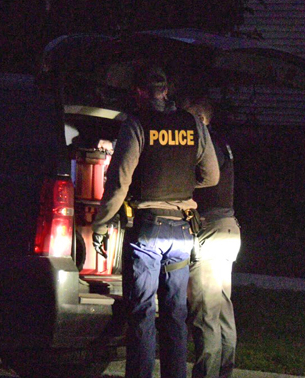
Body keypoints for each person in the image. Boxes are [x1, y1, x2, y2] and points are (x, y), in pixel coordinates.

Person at [91, 66, 220, 378]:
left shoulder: (136, 124)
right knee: (175, 315)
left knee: (143, 313)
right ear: (166, 91)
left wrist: (100, 222)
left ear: (138, 92)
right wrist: (182, 186)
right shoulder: (193, 124)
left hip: (148, 231)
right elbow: (212, 176)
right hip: (182, 232)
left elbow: (119, 182)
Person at [183, 97, 242, 378]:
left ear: (202, 119)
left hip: (210, 230)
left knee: (205, 312)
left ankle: (206, 374)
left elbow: (205, 179)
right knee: (221, 310)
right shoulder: (222, 144)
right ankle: (224, 372)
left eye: (189, 118)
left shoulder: (206, 144)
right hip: (227, 227)